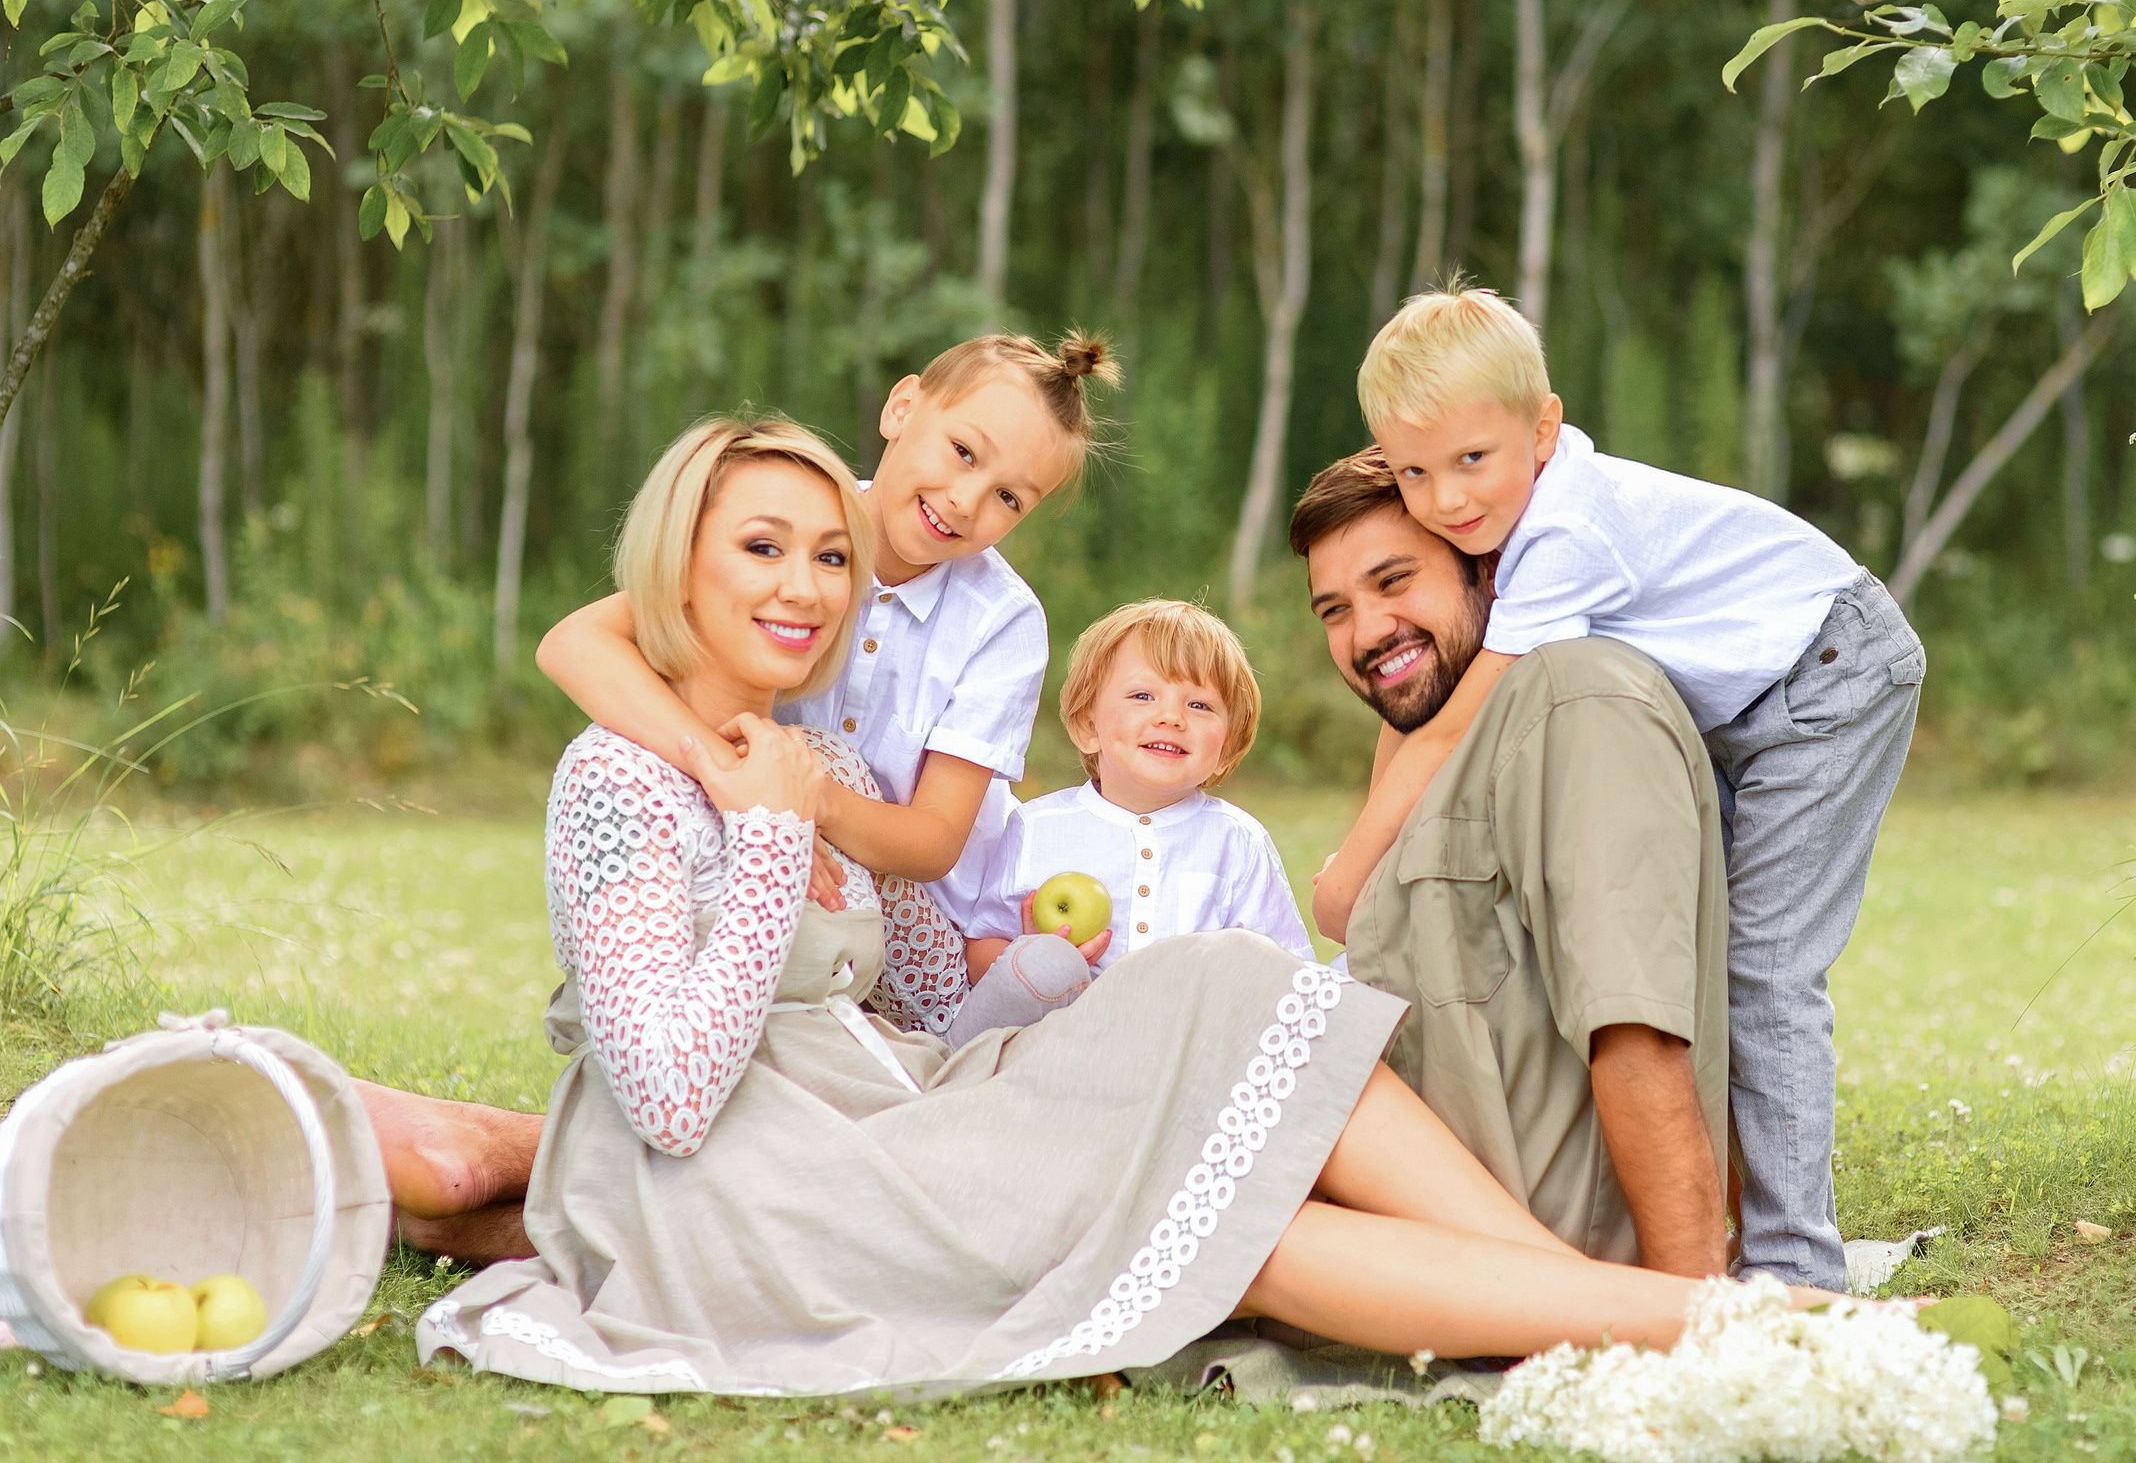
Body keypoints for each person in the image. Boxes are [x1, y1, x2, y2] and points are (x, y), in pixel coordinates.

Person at [407, 412, 1839, 1397]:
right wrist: (778, 837)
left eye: (830, 556)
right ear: (678, 562)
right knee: (1223, 1225)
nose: (806, 587)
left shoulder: (825, 759)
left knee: (1223, 979)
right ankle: (1690, 1323)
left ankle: (1596, 1313)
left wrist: (1041, 977)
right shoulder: (616, 780)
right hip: (757, 1195)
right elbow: (664, 1096)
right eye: (762, 549)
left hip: (893, 1114)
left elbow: (923, 1000)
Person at [1306, 284, 1926, 1293]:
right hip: (1750, 700)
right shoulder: (1503, 520)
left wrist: (1348, 874)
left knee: (1765, 969)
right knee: (1694, 950)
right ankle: (1730, 1226)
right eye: (1415, 472)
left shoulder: (1561, 535)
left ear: (1543, 426)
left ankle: (1794, 1266)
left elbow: (1460, 718)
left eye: (1471, 459)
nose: (1448, 500)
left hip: (1826, 673)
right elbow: (1425, 709)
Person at [537, 333, 1124, 1032]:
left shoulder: (1003, 619)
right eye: (963, 452)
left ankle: (956, 1038)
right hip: (777, 854)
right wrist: (731, 775)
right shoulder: (800, 521)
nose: (966, 501)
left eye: (1008, 497)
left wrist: (808, 803)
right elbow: (574, 643)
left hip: (923, 904)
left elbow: (935, 842)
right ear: (903, 406)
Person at [1288, 452, 1734, 1280]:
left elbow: (1635, 1024)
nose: (1366, 632)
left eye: (1395, 580)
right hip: (1422, 1217)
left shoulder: (1579, 701)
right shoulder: (1450, 739)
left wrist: (1692, 1312)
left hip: (1549, 1251)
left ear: (1488, 568)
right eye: (1335, 610)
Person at [968, 599, 1314, 978]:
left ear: (1226, 747)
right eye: (1143, 696)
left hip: (1191, 1032)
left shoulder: (1238, 841)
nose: (1171, 717)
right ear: (1088, 724)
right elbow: (983, 947)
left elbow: (1289, 968)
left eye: (1199, 704)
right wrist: (1030, 961)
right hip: (1065, 1029)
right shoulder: (1036, 827)